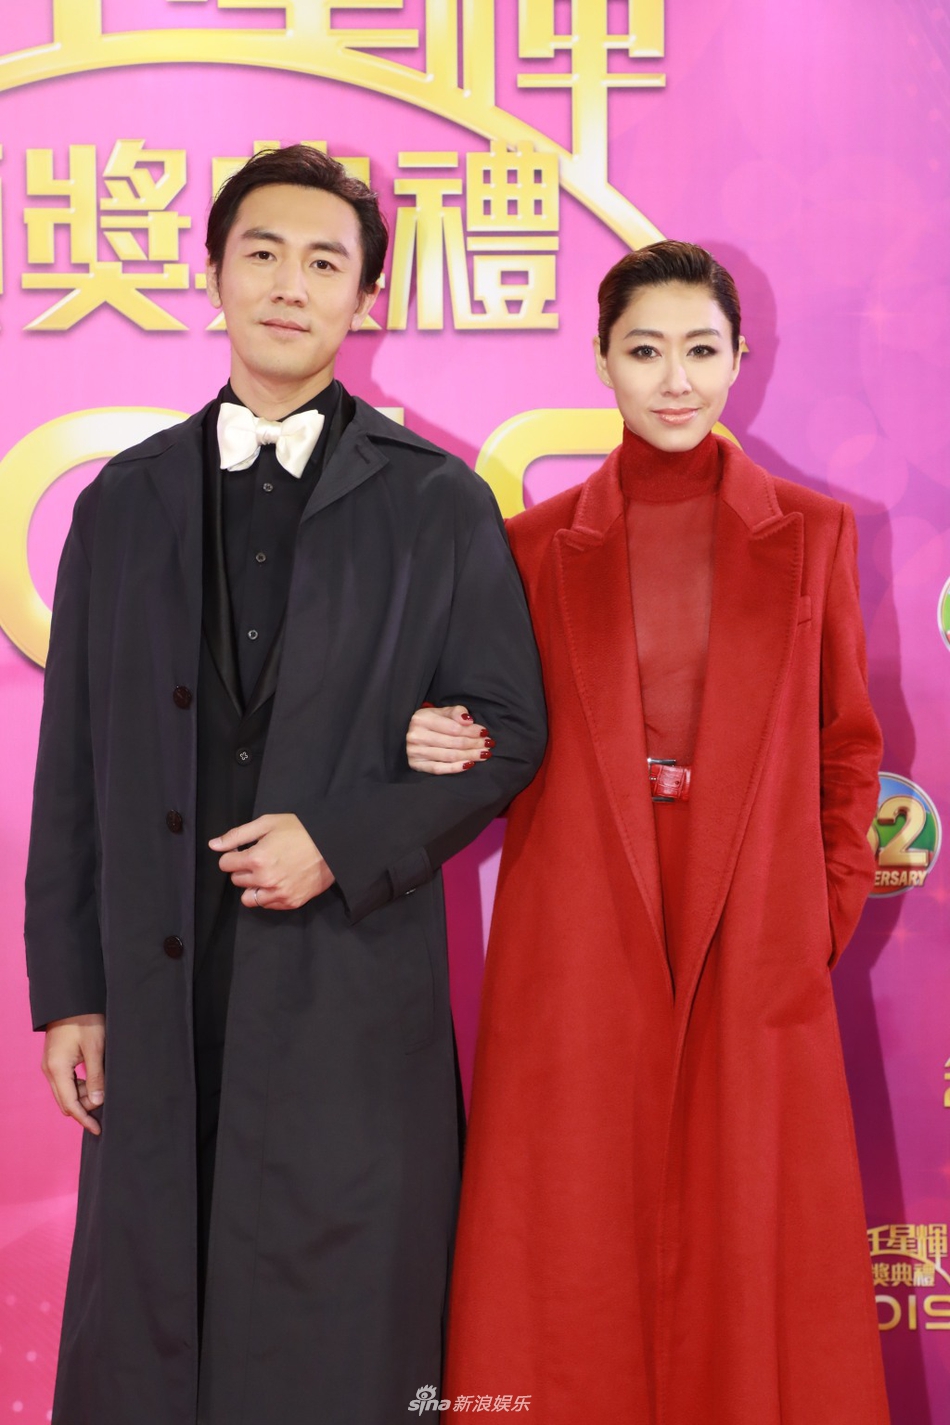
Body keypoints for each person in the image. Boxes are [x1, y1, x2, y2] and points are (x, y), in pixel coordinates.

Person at [24, 144, 546, 1425]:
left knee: (337, 1329)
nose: (288, 285)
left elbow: (508, 727)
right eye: (261, 253)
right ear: (212, 273)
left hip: (344, 978)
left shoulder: (436, 501)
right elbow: (72, 763)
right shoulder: (122, 501)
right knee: (151, 1317)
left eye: (325, 262)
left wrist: (343, 840)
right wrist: (71, 991)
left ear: (366, 296)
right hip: (159, 975)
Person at [406, 242, 889, 1423]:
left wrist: (812, 919)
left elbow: (845, 750)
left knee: (750, 1241)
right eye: (644, 350)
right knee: (568, 1237)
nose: (674, 380)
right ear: (600, 360)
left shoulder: (814, 533)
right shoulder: (529, 547)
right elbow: (495, 736)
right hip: (576, 928)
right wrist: (440, 738)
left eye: (699, 350)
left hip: (751, 928)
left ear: (739, 358)